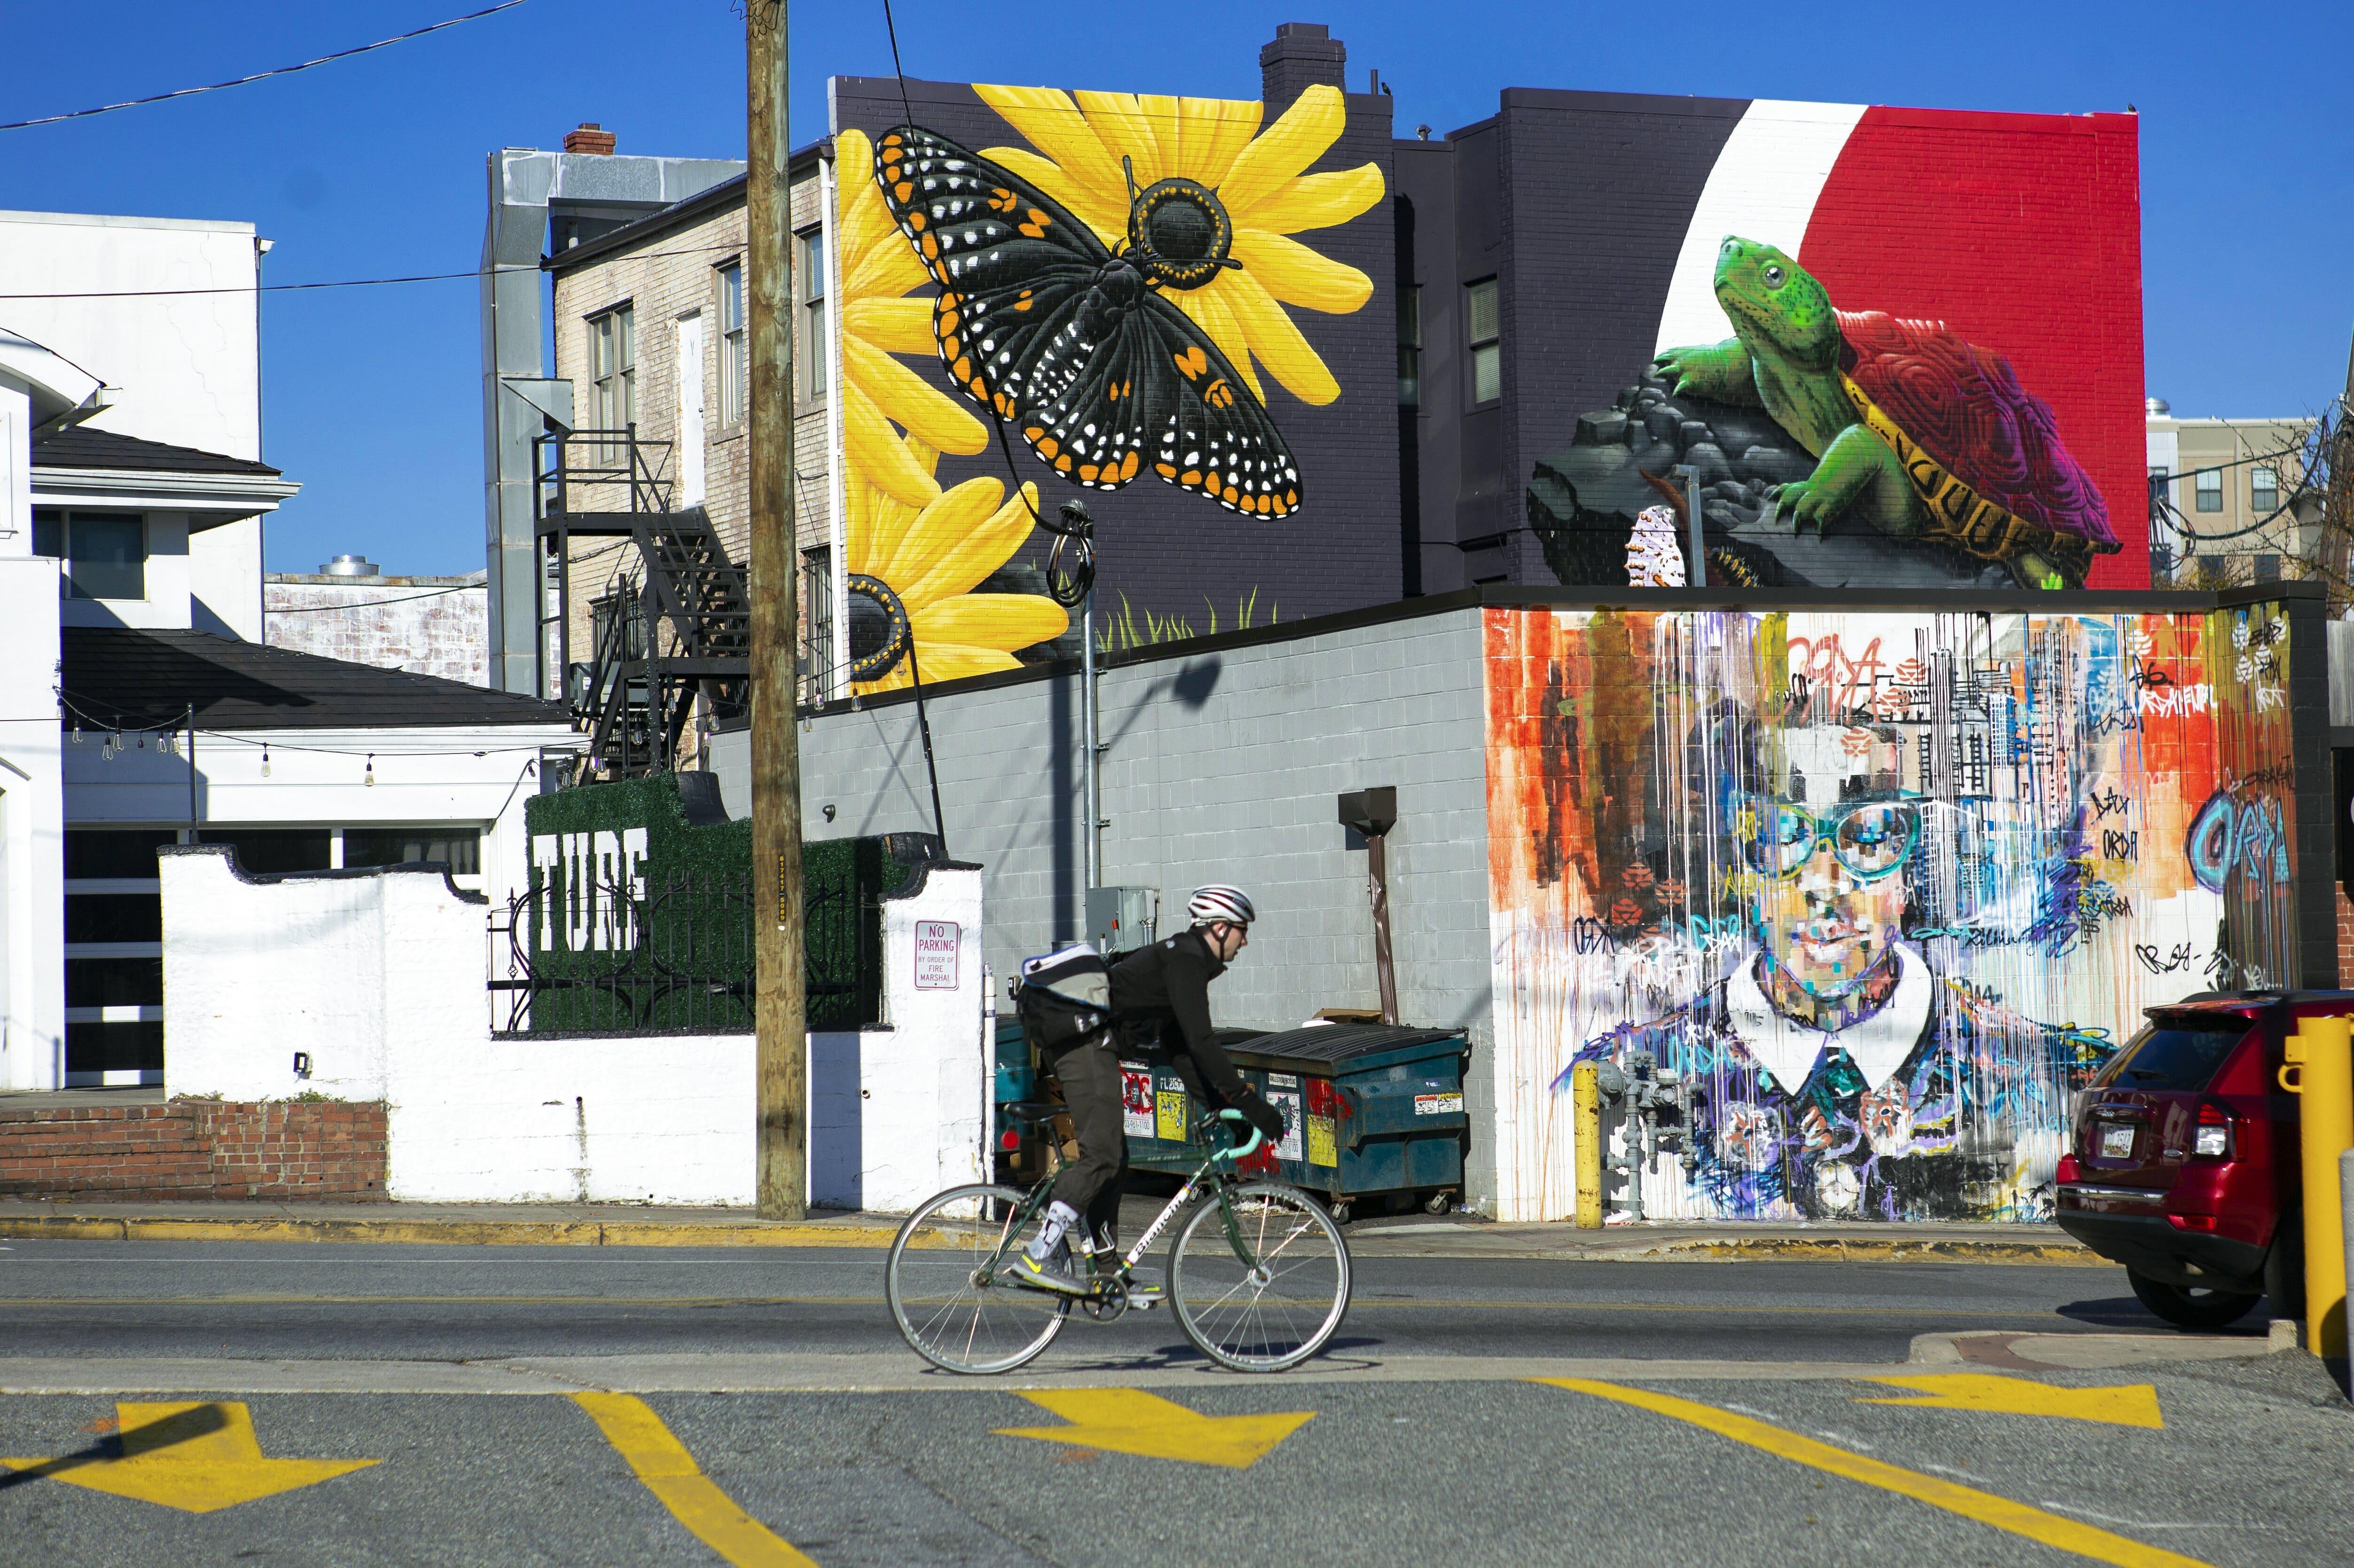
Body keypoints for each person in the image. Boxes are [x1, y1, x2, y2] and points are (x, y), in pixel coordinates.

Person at [1017, 885, 1286, 1295]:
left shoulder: (1182, 959)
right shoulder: (1187, 960)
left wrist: (1219, 1108)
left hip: (1093, 1047)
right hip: (1086, 1045)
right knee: (1103, 1154)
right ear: (1218, 928)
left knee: (1116, 1158)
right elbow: (1202, 1041)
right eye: (1241, 930)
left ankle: (1106, 1270)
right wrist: (1250, 1105)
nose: (1244, 940)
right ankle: (1039, 1252)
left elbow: (1178, 1047)